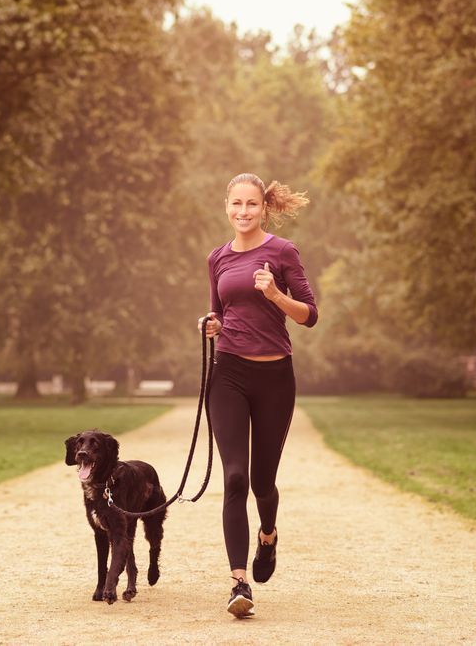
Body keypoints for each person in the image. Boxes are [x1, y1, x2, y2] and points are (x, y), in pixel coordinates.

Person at [197, 172, 318, 618]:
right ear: (226, 206)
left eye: (251, 204)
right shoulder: (218, 258)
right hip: (227, 374)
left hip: (274, 379)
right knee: (235, 478)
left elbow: (310, 315)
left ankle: (268, 535)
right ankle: (238, 583)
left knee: (263, 482)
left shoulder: (282, 252)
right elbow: (219, 311)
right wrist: (211, 326)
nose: (243, 212)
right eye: (236, 204)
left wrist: (276, 295)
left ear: (263, 208)